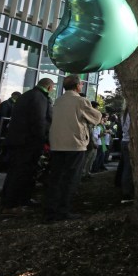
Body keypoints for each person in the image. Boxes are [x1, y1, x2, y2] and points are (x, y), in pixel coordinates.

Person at [44, 75, 102, 221]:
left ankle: (51, 210)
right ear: (77, 86)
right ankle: (63, 211)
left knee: (56, 178)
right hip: (74, 144)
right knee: (70, 179)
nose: (81, 86)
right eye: (81, 84)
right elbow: (96, 118)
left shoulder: (58, 100)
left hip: (57, 144)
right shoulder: (80, 100)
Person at [0, 79, 55, 216]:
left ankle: (21, 199)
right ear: (49, 87)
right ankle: (11, 205)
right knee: (20, 173)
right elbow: (39, 120)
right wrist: (44, 139)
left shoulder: (27, 95)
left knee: (20, 172)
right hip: (27, 142)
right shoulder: (40, 97)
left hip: (19, 140)